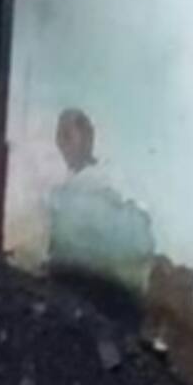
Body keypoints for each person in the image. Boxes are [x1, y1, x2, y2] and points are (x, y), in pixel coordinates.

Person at [46, 108, 156, 303]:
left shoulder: (116, 182)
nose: (63, 144)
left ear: (88, 137)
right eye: (60, 136)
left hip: (109, 295)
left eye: (68, 135)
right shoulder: (59, 192)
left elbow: (141, 242)